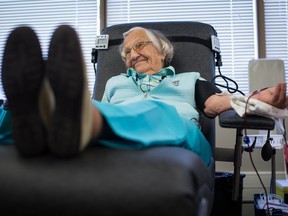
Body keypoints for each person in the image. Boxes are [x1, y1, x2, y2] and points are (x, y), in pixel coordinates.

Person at [1, 25, 287, 166]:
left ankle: (50, 115)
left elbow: (216, 104)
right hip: (112, 133)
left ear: (162, 51)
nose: (132, 55)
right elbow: (102, 109)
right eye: (126, 52)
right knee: (9, 112)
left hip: (175, 133)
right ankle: (24, 117)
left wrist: (257, 100)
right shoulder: (115, 83)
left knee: (155, 111)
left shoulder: (190, 80)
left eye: (140, 46)